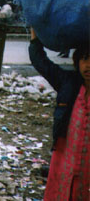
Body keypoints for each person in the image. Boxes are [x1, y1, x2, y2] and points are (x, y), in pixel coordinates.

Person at [29, 28, 89, 200]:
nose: (89, 65)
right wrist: (35, 36)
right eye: (85, 59)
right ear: (77, 62)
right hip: (65, 159)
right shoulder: (69, 84)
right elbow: (41, 62)